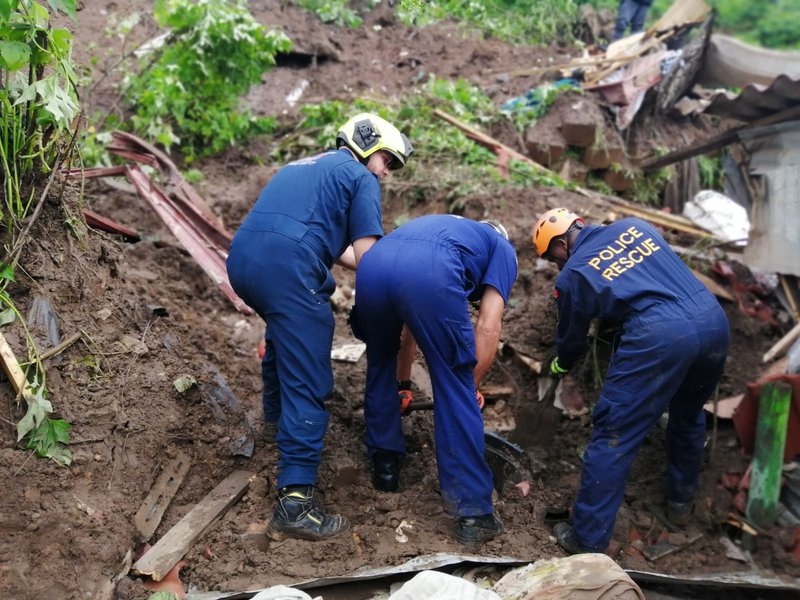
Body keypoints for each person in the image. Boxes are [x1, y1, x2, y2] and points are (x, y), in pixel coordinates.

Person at [226, 113, 413, 541]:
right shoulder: (360, 178)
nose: (385, 171)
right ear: (367, 145)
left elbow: (331, 245)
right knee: (310, 375)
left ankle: (274, 426)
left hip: (244, 262)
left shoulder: (304, 165)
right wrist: (397, 296)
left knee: (284, 335)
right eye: (386, 160)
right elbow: (369, 257)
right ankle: (295, 502)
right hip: (288, 266)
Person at [532, 207, 729, 554]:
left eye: (552, 257)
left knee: (614, 435)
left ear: (562, 243)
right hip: (712, 320)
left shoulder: (574, 274)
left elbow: (573, 338)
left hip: (660, 336)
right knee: (688, 414)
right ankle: (680, 506)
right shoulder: (635, 227)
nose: (555, 265)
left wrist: (560, 364)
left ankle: (586, 540)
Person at [351, 215, 518, 545]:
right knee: (454, 384)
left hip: (373, 266)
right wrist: (471, 387)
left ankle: (385, 469)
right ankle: (474, 514)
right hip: (430, 270)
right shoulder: (503, 250)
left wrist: (403, 385)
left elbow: (409, 324)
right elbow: (487, 327)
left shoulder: (445, 229)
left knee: (379, 362)